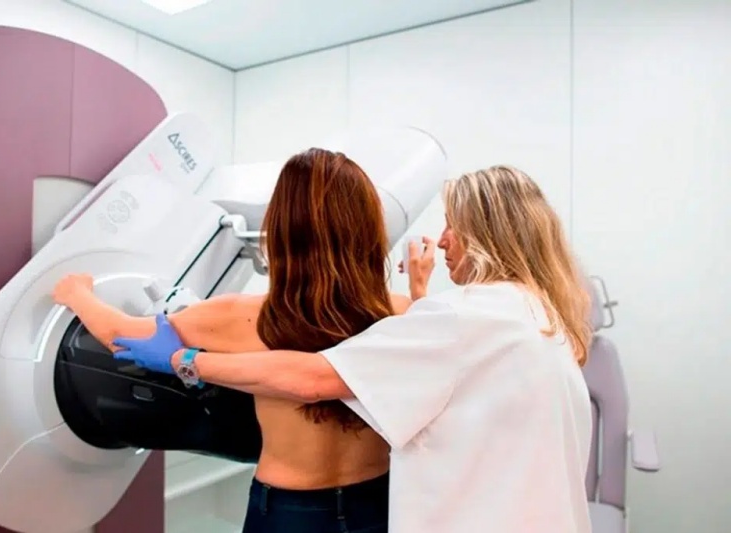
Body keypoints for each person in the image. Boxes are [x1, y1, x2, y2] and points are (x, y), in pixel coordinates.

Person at [113, 164, 595, 533]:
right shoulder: (542, 316)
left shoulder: (459, 316)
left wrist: (182, 360)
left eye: (453, 225)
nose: (443, 240)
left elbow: (313, 379)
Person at [52, 147, 413, 533]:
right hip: (377, 501)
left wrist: (77, 293)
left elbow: (119, 336)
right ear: (368, 229)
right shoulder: (399, 311)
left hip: (290, 511)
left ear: (283, 229)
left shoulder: (240, 317)